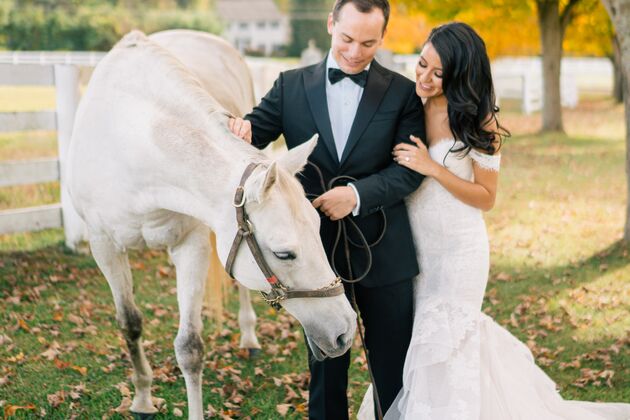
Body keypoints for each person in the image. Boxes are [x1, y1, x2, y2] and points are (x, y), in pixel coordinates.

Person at [358, 22, 630, 420]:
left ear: (459, 75)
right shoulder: (411, 104)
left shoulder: (477, 120)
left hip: (459, 252)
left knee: (446, 340)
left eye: (438, 73)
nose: (425, 77)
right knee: (418, 340)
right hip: (416, 248)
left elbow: (486, 197)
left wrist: (433, 168)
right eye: (422, 64)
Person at [228, 1, 425, 418]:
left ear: (383, 37)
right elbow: (252, 135)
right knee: (326, 369)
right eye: (347, 39)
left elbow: (409, 171)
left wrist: (355, 195)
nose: (355, 52)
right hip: (315, 256)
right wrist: (241, 128)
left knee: (393, 366)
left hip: (384, 248)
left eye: (368, 43)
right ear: (331, 23)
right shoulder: (291, 86)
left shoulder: (403, 93)